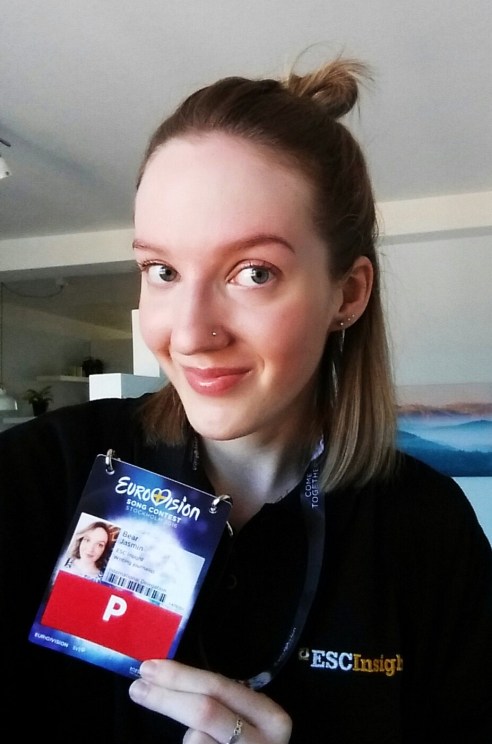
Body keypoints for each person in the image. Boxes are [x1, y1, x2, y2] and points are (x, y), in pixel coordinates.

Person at [0, 56, 491, 744]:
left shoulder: (426, 530)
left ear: (347, 294)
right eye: (162, 270)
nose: (189, 334)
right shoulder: (38, 476)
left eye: (253, 273)